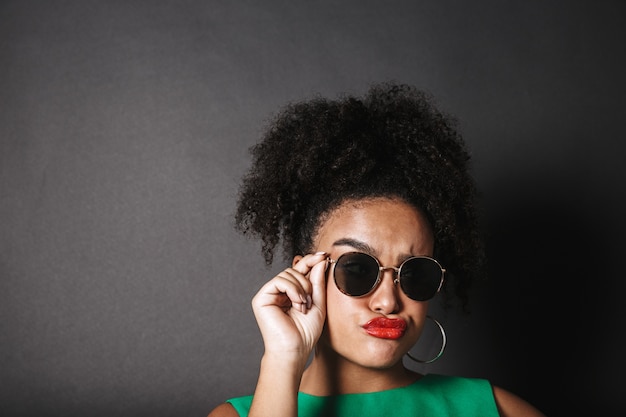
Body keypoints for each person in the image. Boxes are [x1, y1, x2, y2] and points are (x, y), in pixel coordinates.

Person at [208, 83, 545, 417]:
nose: (388, 300)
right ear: (306, 273)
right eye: (358, 269)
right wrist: (283, 357)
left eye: (414, 274)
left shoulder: (497, 409)